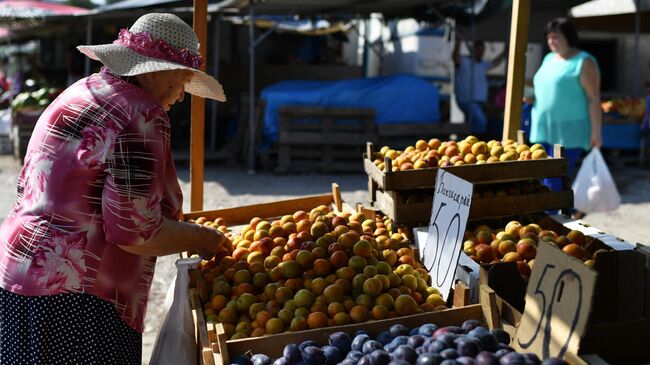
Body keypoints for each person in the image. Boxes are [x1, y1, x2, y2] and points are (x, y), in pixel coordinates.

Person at [0, 13, 228, 364]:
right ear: (154, 71)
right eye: (182, 79)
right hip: (76, 296)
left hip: (19, 273)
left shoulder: (83, 89)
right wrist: (199, 238)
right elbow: (134, 233)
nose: (182, 95)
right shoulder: (142, 112)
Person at [529, 18, 602, 196]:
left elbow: (594, 98)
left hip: (569, 133)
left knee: (555, 182)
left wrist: (596, 132)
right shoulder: (548, 59)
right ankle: (551, 218)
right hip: (542, 129)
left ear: (568, 36)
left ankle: (552, 220)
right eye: (549, 37)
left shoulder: (584, 62)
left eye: (556, 36)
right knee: (542, 181)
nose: (551, 40)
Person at [453, 36, 506, 137]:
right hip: (468, 100)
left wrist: (505, 52)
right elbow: (456, 58)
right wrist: (458, 42)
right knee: (481, 123)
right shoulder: (464, 61)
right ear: (473, 49)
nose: (481, 52)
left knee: (474, 124)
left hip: (479, 102)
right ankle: (478, 144)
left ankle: (470, 143)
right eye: (478, 49)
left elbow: (495, 62)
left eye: (482, 50)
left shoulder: (482, 64)